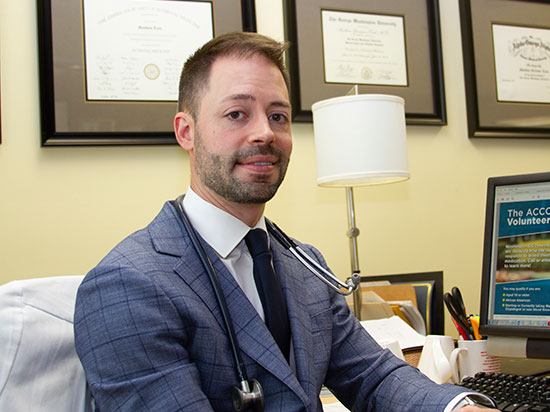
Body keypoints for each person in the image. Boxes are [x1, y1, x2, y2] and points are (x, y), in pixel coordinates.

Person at [73, 32, 491, 412]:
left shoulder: (305, 266)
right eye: (237, 114)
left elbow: (374, 376)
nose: (265, 134)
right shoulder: (126, 286)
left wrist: (460, 409)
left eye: (278, 116)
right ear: (187, 131)